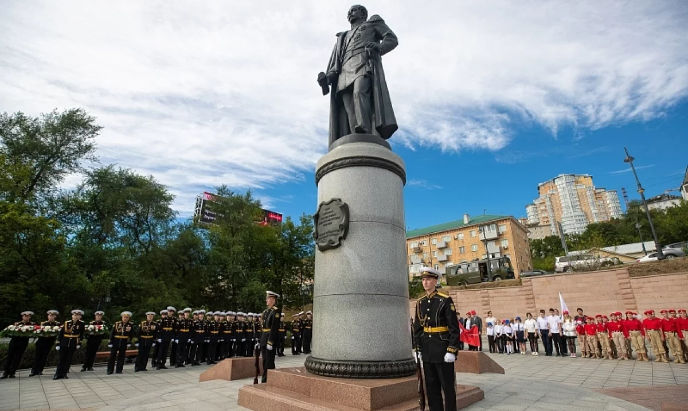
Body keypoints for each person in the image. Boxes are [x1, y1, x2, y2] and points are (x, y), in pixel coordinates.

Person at [319, 4, 398, 146]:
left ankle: (364, 126)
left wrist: (379, 48)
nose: (350, 13)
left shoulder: (372, 22)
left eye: (353, 10)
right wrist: (327, 79)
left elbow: (391, 38)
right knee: (348, 105)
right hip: (344, 70)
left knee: (359, 92)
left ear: (363, 14)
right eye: (348, 12)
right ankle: (357, 134)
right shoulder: (342, 37)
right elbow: (336, 63)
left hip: (363, 63)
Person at [413, 267, 459, 411]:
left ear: (435, 281)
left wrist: (451, 350)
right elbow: (418, 328)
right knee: (431, 387)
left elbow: (454, 328)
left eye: (428, 279)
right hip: (427, 349)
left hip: (443, 350)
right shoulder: (420, 302)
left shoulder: (444, 300)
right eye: (423, 280)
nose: (425, 282)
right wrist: (418, 348)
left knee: (447, 387)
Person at [1, 311, 36, 379]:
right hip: (14, 342)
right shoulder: (17, 324)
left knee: (18, 358)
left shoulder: (32, 325)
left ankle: (12, 372)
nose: (26, 317)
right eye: (25, 316)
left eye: (28, 316)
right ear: (22, 317)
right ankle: (6, 372)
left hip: (23, 343)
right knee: (10, 357)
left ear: (30, 317)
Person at [53, 309, 86, 380]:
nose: (76, 316)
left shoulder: (81, 324)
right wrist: (58, 343)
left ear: (80, 316)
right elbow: (61, 333)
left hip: (73, 343)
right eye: (74, 315)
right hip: (64, 343)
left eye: (77, 315)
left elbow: (81, 335)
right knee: (61, 359)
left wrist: (79, 343)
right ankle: (57, 374)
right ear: (72, 316)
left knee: (68, 359)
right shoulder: (66, 323)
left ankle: (64, 373)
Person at [259, 291, 281, 383]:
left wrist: (270, 341)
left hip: (269, 339)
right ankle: (265, 378)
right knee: (264, 360)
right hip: (264, 338)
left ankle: (268, 379)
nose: (266, 300)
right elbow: (263, 327)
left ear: (273, 300)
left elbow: (274, 327)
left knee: (269, 361)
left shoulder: (276, 311)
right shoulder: (266, 311)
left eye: (268, 298)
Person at [30, 310, 60, 377]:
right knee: (37, 356)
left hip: (49, 343)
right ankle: (33, 370)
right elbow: (39, 331)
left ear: (55, 316)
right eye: (50, 315)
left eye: (52, 315)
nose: (51, 317)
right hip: (41, 342)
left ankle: (40, 370)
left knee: (44, 357)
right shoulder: (43, 323)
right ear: (48, 316)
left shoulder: (57, 324)